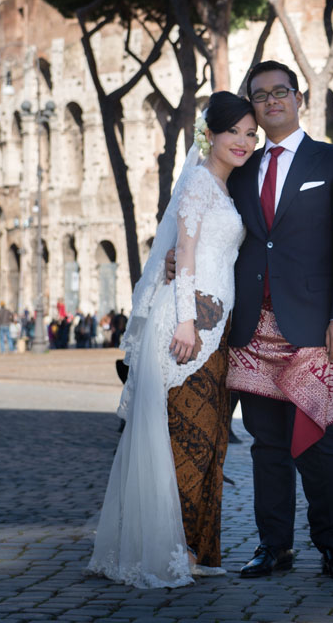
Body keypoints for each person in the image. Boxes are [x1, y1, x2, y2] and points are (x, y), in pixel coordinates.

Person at [88, 92, 257, 587]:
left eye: (251, 134)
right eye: (235, 132)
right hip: (190, 326)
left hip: (216, 324)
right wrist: (185, 321)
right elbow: (183, 254)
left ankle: (199, 547)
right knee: (188, 436)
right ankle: (174, 547)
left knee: (210, 440)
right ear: (211, 134)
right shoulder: (200, 185)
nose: (244, 142)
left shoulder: (224, 189)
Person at [218, 61, 333, 581]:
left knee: (319, 440)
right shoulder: (240, 168)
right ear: (252, 108)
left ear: (299, 97)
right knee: (267, 445)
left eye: (281, 91)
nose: (272, 100)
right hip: (251, 330)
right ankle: (273, 545)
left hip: (313, 328)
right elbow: (222, 238)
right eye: (260, 96)